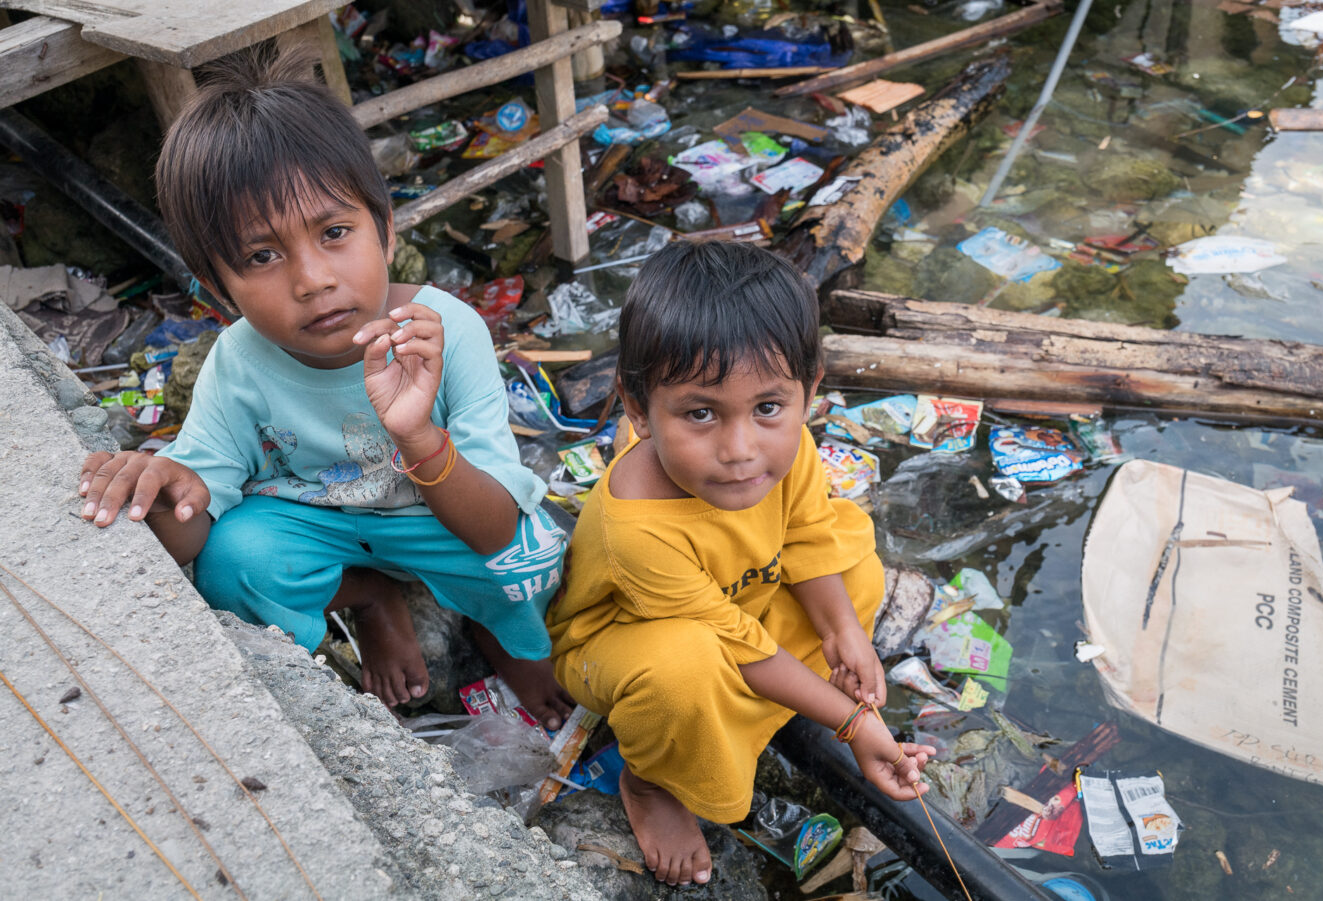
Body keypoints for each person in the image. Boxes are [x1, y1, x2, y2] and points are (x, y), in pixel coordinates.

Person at [75, 50, 573, 727]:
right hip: (319, 529)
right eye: (262, 256)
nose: (312, 278)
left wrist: (418, 435)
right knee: (233, 558)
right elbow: (187, 542)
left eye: (334, 232)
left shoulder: (443, 331)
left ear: (386, 229)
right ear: (219, 290)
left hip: (433, 514)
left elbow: (495, 530)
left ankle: (500, 634)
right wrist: (165, 494)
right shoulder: (237, 363)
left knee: (531, 557)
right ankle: (369, 600)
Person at [546, 241, 934, 886]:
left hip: (735, 609)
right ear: (638, 409)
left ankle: (739, 722)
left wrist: (843, 634)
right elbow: (736, 646)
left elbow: (808, 533)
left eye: (768, 409)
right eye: (701, 413)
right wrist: (853, 721)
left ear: (808, 392)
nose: (741, 450)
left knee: (854, 567)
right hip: (626, 645)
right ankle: (650, 782)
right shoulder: (635, 527)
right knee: (684, 673)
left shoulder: (790, 444)